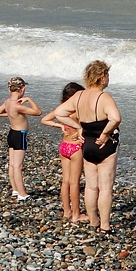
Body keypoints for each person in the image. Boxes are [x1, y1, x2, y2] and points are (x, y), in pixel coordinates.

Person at [50, 61, 121, 234]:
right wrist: (105, 134)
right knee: (105, 188)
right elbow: (115, 118)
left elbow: (59, 113)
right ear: (101, 77)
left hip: (87, 143)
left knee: (91, 186)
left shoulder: (79, 96)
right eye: (107, 75)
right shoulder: (104, 97)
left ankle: (93, 221)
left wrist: (79, 127)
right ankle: (104, 226)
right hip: (105, 145)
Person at [41, 82, 87, 223]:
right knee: (74, 183)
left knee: (65, 181)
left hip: (64, 146)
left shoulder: (62, 110)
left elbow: (44, 119)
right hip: (75, 148)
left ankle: (67, 211)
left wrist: (59, 125)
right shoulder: (77, 112)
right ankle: (76, 214)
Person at [0, 76, 42, 201]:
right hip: (20, 134)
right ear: (22, 89)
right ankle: (22, 194)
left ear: (9, 90)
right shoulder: (18, 106)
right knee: (18, 166)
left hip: (11, 134)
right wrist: (29, 100)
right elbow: (38, 112)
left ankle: (15, 190)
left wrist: (10, 114)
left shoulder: (8, 102)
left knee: (12, 164)